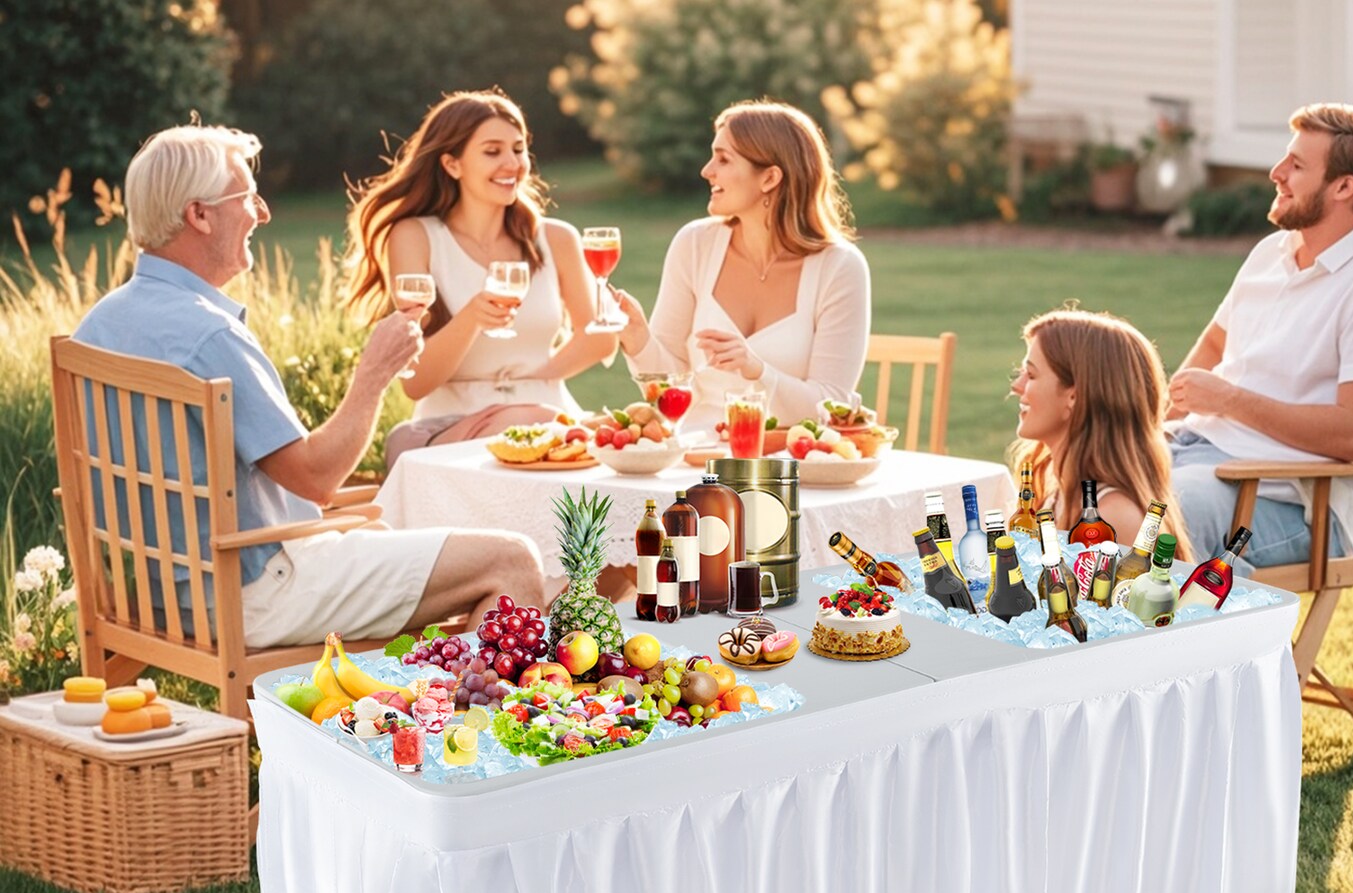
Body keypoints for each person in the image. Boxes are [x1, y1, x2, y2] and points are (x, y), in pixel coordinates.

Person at [73, 122, 543, 647]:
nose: (263, 212)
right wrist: (373, 376)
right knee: (512, 558)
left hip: (154, 595)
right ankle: (470, 723)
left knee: (385, 537)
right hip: (253, 596)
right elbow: (316, 479)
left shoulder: (97, 326)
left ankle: (411, 707)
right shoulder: (209, 334)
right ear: (198, 215)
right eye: (247, 196)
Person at [1167, 103, 1353, 569]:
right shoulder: (1273, 252)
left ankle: (1211, 638)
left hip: (1297, 503)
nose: (1276, 172)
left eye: (1297, 165)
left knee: (1166, 514)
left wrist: (1229, 400)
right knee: (1078, 480)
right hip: (1202, 455)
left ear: (1345, 187)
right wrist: (1141, 432)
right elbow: (1211, 349)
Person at [345, 90, 615, 466]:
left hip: (548, 421)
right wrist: (472, 317)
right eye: (492, 152)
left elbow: (600, 338)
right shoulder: (416, 237)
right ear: (452, 164)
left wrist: (537, 377)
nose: (513, 163)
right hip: (453, 428)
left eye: (518, 149)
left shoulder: (555, 238)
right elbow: (416, 382)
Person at [612, 99, 871, 435]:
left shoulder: (839, 267)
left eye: (723, 159)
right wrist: (638, 339)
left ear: (769, 178)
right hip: (697, 456)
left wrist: (757, 370)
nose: (707, 171)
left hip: (793, 460)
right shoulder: (695, 244)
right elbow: (670, 387)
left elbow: (832, 405)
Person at [1008, 308, 1191, 555]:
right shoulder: (1055, 490)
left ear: (1074, 396)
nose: (1017, 386)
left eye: (1031, 374)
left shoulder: (1113, 517)